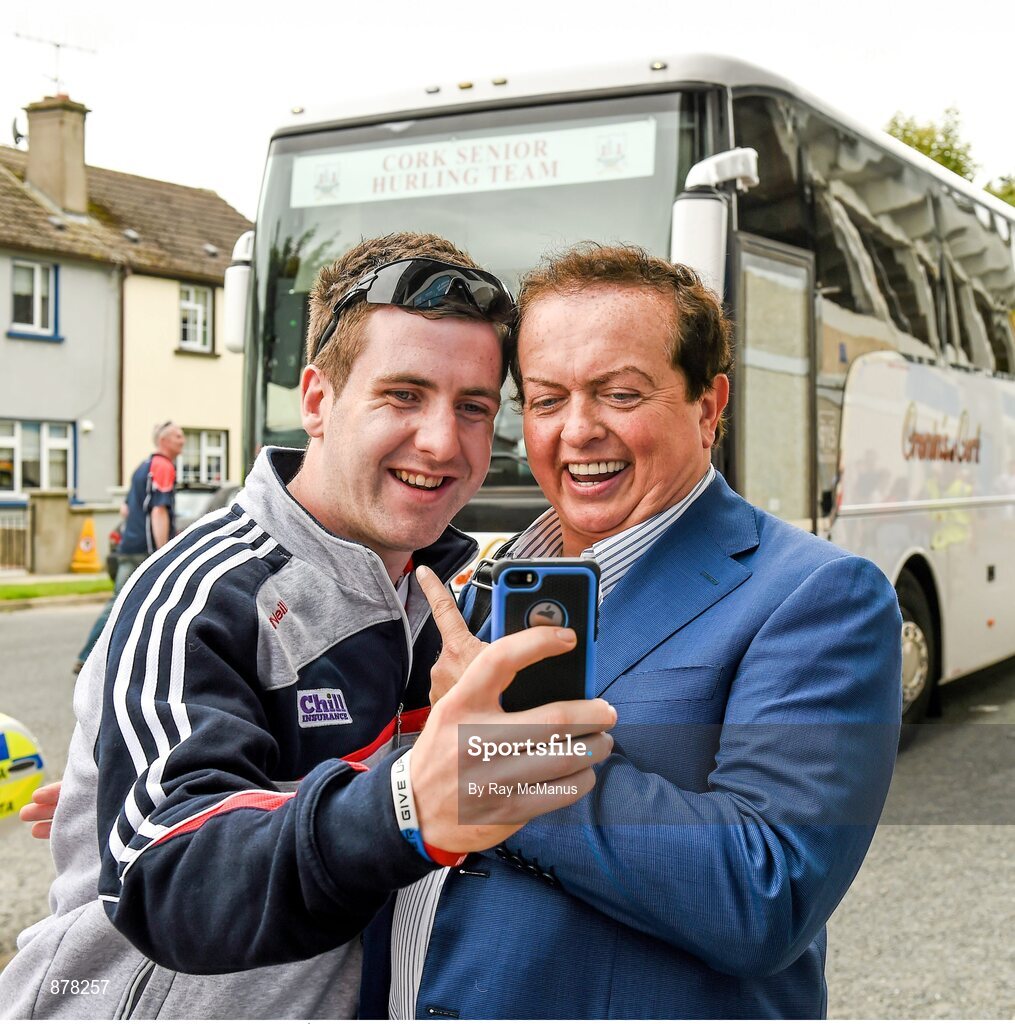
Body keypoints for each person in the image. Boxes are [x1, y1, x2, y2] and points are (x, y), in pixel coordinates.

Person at [0, 232, 614, 1019]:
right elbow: (171, 874)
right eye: (402, 395)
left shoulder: (444, 602)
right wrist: (406, 801)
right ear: (318, 400)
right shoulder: (202, 590)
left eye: (472, 408)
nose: (441, 441)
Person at [360, 243, 903, 1019]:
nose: (575, 431)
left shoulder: (819, 596)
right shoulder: (484, 584)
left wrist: (496, 751)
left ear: (708, 407)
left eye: (617, 394)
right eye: (545, 400)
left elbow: (767, 892)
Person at [74, 420, 186, 672]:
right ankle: (97, 657)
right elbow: (158, 511)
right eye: (178, 436)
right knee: (152, 603)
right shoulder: (163, 466)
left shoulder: (142, 468)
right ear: (164, 441)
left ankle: (95, 656)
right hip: (145, 550)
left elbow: (125, 509)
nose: (183, 440)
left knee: (123, 602)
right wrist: (164, 551)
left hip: (129, 546)